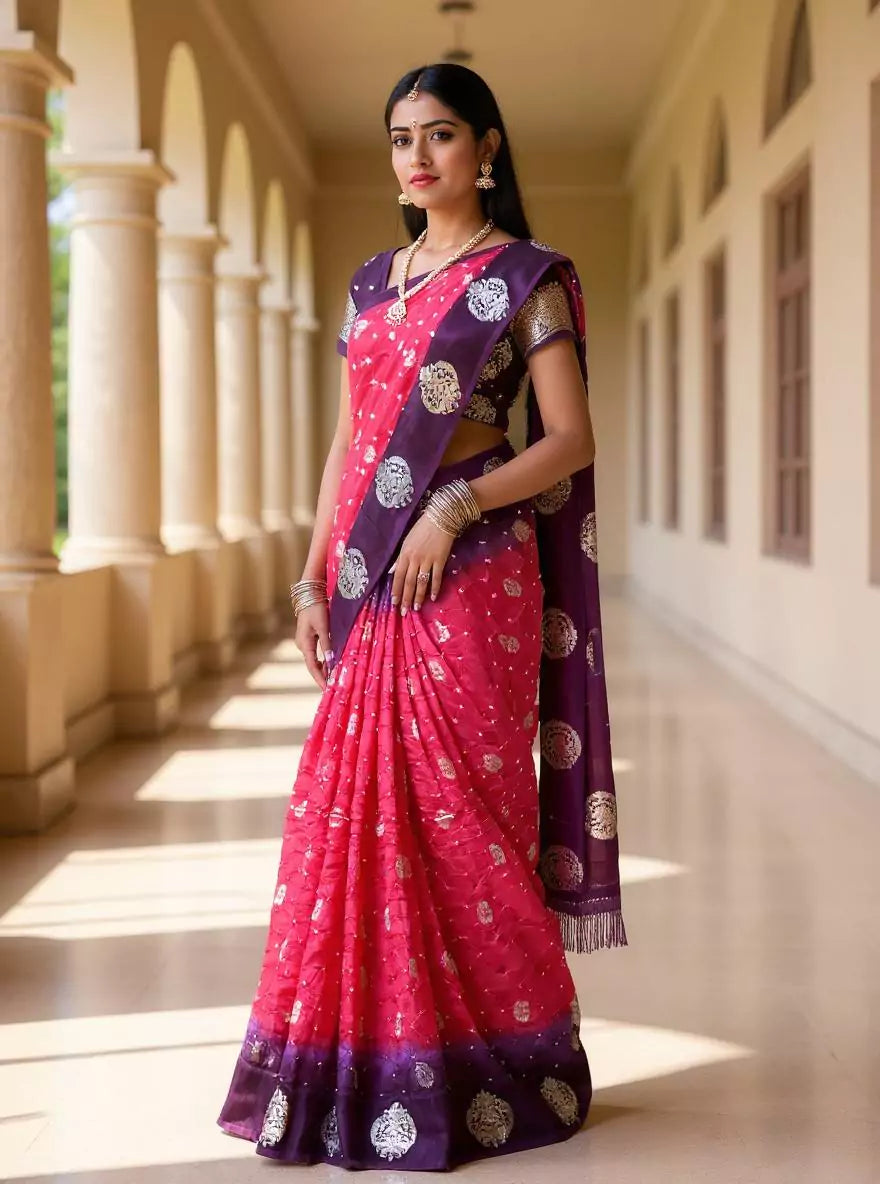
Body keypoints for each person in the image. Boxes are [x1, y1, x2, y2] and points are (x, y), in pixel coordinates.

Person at [217, 61, 626, 1171]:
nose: (417, 157)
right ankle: (358, 1063)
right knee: (344, 814)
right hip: (369, 579)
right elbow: (351, 444)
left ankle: (503, 1063)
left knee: (466, 814)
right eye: (401, 138)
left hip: (474, 571)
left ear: (486, 150)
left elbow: (568, 437)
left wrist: (454, 504)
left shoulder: (526, 277)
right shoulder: (371, 286)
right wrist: (311, 579)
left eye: (440, 135)